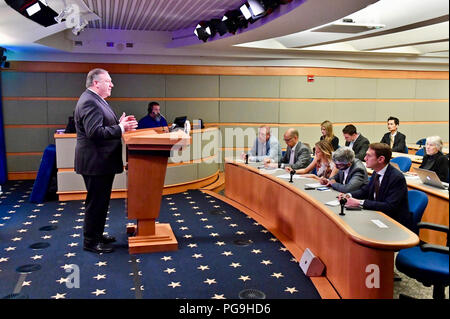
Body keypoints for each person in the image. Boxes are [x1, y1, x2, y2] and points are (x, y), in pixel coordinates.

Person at [74, 68, 138, 254]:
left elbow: (100, 127)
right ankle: (91, 242)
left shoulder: (95, 100)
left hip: (99, 162)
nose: (112, 84)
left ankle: (97, 235)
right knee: (96, 203)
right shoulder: (89, 102)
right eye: (108, 81)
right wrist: (121, 128)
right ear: (96, 83)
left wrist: (119, 123)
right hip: (96, 162)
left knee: (100, 202)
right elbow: (94, 133)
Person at [339, 143, 411, 229]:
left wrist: (359, 202)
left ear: (381, 159)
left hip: (394, 223)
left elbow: (389, 206)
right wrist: (349, 195)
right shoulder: (376, 171)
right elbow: (365, 190)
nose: (365, 158)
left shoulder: (397, 178)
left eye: (368, 156)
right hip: (377, 215)